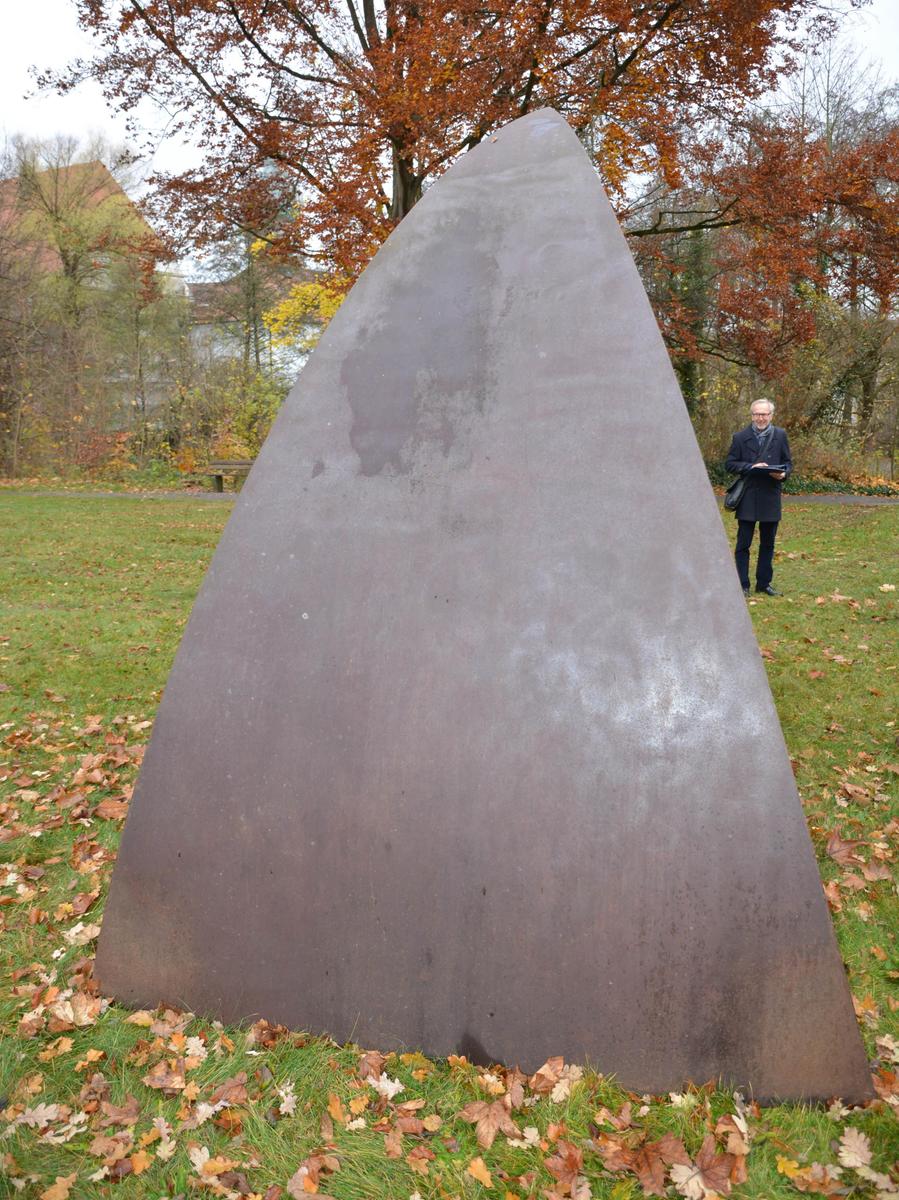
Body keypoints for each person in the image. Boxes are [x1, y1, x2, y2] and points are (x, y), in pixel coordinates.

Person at [725, 399, 792, 597]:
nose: (760, 418)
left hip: (770, 496)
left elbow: (788, 463)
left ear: (771, 415)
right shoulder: (740, 437)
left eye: (764, 414)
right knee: (743, 544)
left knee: (768, 544)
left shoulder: (780, 435)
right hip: (747, 495)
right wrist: (750, 467)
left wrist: (783, 474)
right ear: (752, 415)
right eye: (756, 414)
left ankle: (763, 583)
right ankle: (742, 585)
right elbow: (729, 464)